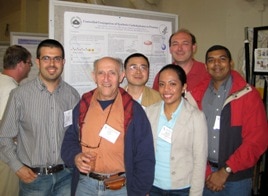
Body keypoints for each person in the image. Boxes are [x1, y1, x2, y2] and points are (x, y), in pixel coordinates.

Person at [61, 56, 155, 196]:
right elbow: (69, 140)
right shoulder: (83, 105)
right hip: (85, 186)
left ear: (121, 76)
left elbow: (145, 155)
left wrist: (140, 191)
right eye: (101, 73)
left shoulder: (133, 110)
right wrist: (76, 156)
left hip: (120, 188)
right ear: (94, 76)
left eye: (112, 73)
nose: (106, 78)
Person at [0, 39, 80, 195]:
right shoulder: (19, 95)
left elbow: (77, 134)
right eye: (46, 58)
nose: (52, 63)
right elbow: (4, 137)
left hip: (66, 176)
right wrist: (18, 167)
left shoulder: (72, 95)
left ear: (63, 62)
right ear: (37, 61)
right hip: (33, 179)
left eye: (56, 58)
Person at [189, 45, 268, 195]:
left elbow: (257, 140)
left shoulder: (248, 95)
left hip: (237, 178)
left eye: (222, 59)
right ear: (206, 66)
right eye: (211, 60)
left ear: (230, 63)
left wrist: (225, 171)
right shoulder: (196, 95)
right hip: (204, 176)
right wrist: (207, 172)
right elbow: (192, 137)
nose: (216, 64)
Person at [146, 64, 208, 195]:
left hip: (182, 188)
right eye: (162, 84)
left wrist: (195, 193)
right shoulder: (150, 112)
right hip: (153, 186)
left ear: (184, 87)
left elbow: (200, 160)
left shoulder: (196, 117)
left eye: (172, 84)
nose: (166, 89)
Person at [0, 45, 32, 196]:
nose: (30, 68)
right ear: (21, 64)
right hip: (5, 158)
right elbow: (5, 130)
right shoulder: (12, 91)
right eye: (29, 63)